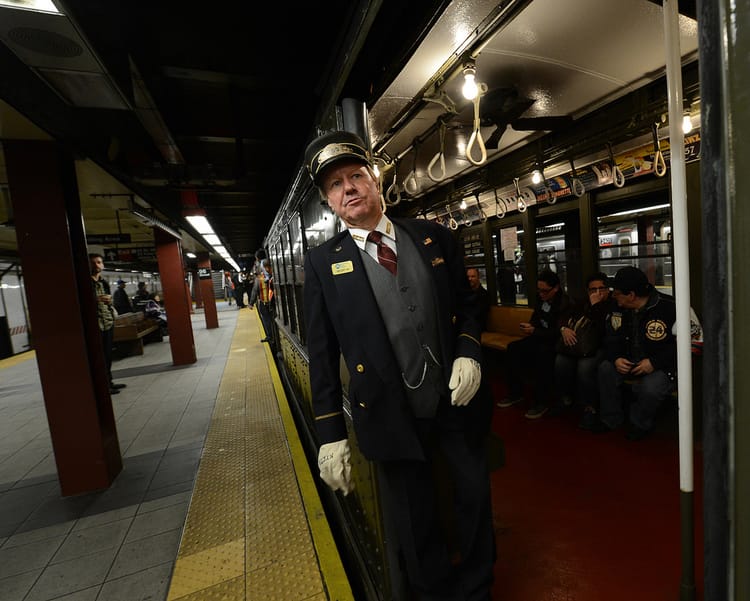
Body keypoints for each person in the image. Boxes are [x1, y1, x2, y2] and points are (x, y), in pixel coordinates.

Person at [302, 130, 495, 600]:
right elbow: (322, 354)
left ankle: (477, 589)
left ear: (376, 179)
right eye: (335, 185)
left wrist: (469, 349)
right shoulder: (323, 263)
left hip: (453, 403)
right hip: (388, 414)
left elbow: (471, 304)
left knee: (473, 500)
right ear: (329, 200)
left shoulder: (435, 237)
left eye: (355, 175)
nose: (348, 188)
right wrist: (330, 436)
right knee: (415, 520)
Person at [591, 266, 679, 441]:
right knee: (605, 369)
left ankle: (639, 423)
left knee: (651, 387)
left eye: (616, 293)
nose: (613, 296)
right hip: (628, 360)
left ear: (631, 295)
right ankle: (611, 419)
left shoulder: (672, 308)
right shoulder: (617, 309)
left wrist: (654, 362)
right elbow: (611, 337)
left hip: (661, 365)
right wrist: (616, 358)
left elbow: (692, 343)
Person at [497, 268, 573, 419]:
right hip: (539, 336)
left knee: (542, 356)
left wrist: (535, 331)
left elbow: (558, 331)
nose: (541, 294)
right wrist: (530, 326)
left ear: (556, 288)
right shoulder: (540, 299)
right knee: (513, 348)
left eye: (545, 291)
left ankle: (542, 401)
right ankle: (515, 393)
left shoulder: (565, 304)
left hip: (554, 342)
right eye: (539, 291)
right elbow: (536, 318)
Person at [551, 272, 616, 427]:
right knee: (561, 362)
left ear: (608, 289)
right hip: (581, 346)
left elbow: (604, 330)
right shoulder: (581, 303)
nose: (598, 293)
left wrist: (596, 307)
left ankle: (590, 407)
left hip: (601, 347)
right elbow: (564, 317)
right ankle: (566, 398)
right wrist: (563, 329)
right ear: (588, 291)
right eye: (593, 290)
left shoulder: (614, 304)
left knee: (584, 368)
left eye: (602, 288)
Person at [89, 253, 126, 395]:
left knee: (108, 354)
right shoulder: (86, 283)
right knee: (100, 357)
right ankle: (103, 385)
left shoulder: (104, 283)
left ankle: (109, 382)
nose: (96, 265)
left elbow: (110, 301)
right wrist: (96, 300)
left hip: (107, 322)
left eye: (99, 262)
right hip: (96, 324)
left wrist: (109, 301)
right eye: (93, 263)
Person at [249, 258, 276, 347]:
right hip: (266, 304)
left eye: (268, 267)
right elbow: (255, 291)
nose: (267, 269)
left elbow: (254, 290)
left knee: (268, 321)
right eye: (266, 267)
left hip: (269, 303)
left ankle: (271, 337)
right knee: (268, 321)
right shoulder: (272, 276)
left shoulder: (260, 278)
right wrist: (251, 302)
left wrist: (251, 303)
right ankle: (271, 337)